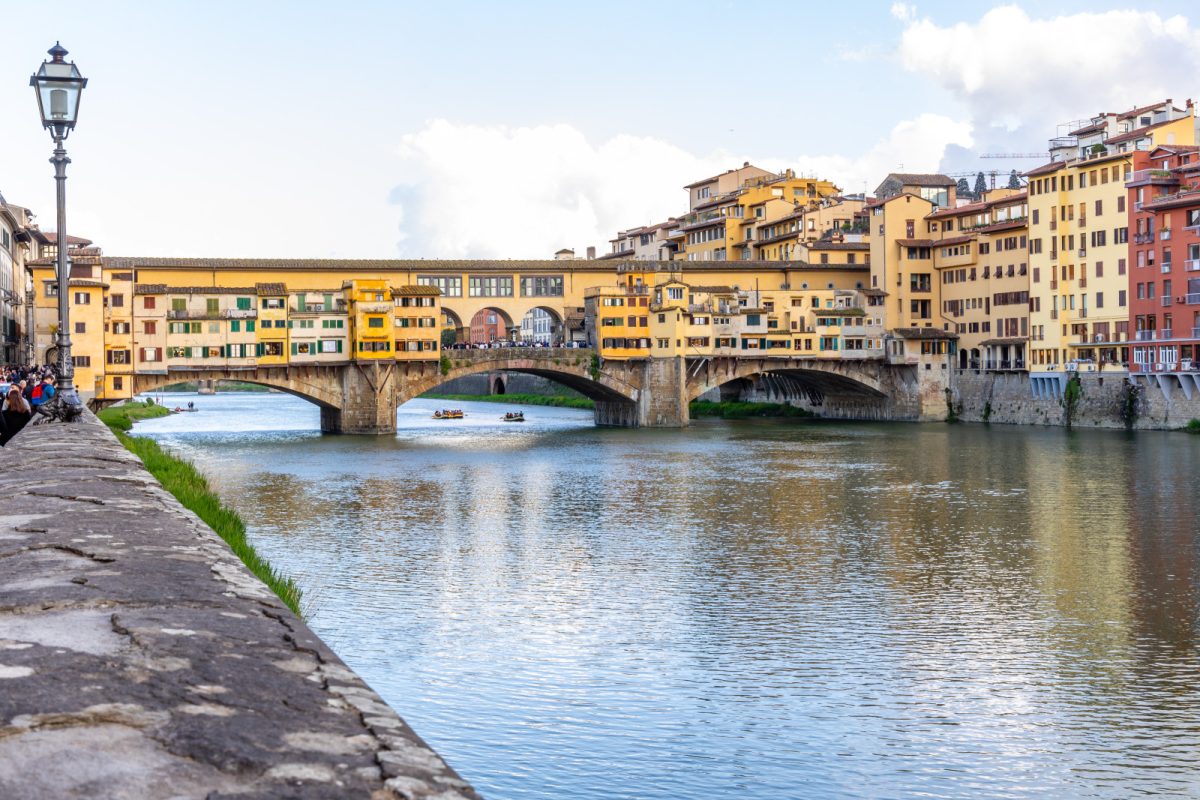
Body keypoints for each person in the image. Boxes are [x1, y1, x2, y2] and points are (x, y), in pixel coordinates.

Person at [1, 381, 31, 445]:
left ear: (9, 400)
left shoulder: (5, 414)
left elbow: (3, 430)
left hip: (7, 441)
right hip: (23, 440)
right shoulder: (26, 413)